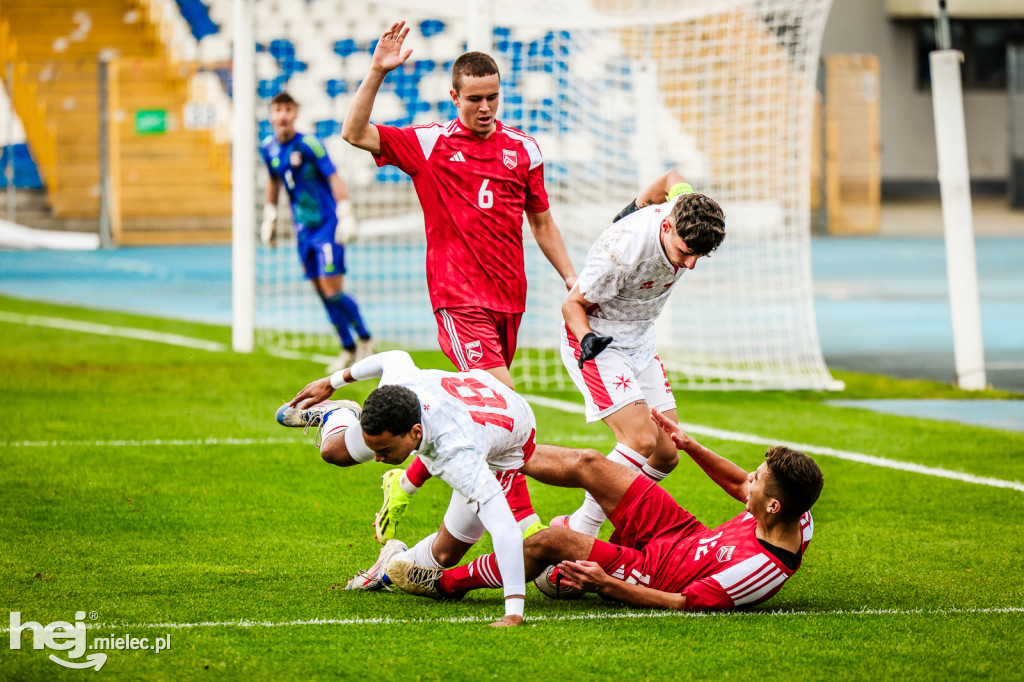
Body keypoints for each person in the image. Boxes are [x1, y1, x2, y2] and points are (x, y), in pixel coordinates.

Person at [341, 20, 577, 542]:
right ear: (454, 97)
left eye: (493, 97)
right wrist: (377, 72)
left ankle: (405, 484)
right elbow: (354, 134)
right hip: (458, 301)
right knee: (510, 409)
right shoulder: (429, 145)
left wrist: (570, 278)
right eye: (475, 99)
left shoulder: (524, 150)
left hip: (508, 303)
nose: (486, 108)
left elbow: (541, 221)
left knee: (482, 419)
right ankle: (526, 525)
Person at [385, 407, 823, 625]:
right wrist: (691, 447)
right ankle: (495, 452)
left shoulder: (760, 570)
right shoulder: (795, 516)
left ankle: (444, 584)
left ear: (773, 507)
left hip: (654, 574)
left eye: (759, 480)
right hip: (679, 532)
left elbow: (684, 603)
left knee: (548, 542)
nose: (750, 479)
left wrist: (606, 584)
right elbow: (737, 486)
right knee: (590, 464)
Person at [275, 349, 545, 627]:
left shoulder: (458, 456)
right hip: (467, 401)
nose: (377, 458)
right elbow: (393, 357)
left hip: (498, 448)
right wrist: (332, 382)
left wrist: (513, 613)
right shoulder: (400, 386)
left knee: (446, 555)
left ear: (415, 433)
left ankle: (390, 561)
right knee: (334, 452)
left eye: (384, 449)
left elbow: (506, 530)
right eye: (374, 447)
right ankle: (341, 413)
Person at [555, 171, 726, 537]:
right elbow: (572, 306)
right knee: (641, 440)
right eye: (685, 252)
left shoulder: (683, 206)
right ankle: (577, 532)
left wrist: (633, 207)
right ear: (666, 226)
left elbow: (671, 178)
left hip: (640, 342)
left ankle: (619, 526)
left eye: (700, 256)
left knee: (667, 453)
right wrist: (587, 340)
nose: (690, 264)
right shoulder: (621, 252)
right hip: (597, 339)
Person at [260, 91, 373, 372]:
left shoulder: (310, 144)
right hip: (303, 231)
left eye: (288, 109)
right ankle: (347, 347)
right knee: (321, 291)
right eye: (278, 110)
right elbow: (274, 181)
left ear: (295, 113)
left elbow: (333, 176)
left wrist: (345, 211)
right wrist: (270, 214)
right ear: (271, 115)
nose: (283, 115)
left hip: (327, 226)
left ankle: (366, 340)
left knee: (332, 290)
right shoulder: (268, 148)